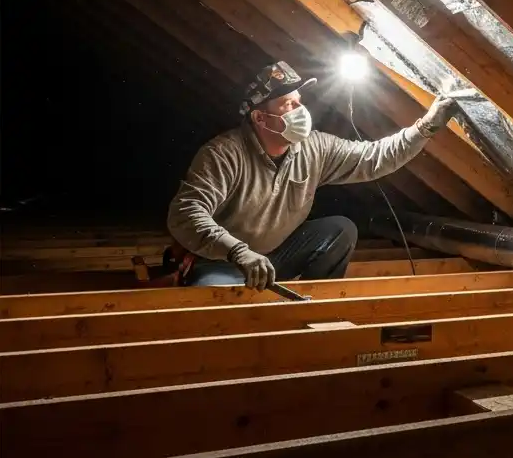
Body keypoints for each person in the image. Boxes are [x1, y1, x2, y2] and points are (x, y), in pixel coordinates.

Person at [166, 61, 458, 289]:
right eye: (288, 104)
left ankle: (309, 306)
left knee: (340, 230)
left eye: (299, 101)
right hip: (223, 261)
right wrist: (238, 252)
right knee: (218, 305)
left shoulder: (314, 147)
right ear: (260, 117)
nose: (300, 110)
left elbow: (373, 157)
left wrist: (426, 127)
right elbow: (186, 213)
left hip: (275, 256)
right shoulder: (224, 154)